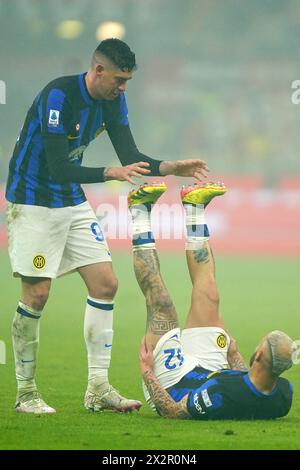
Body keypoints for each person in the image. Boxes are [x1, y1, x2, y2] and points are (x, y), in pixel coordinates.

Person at [5, 38, 209, 415]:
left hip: (70, 199)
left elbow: (131, 157)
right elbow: (56, 165)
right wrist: (109, 172)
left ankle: (98, 390)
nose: (122, 87)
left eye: (127, 80)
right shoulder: (58, 96)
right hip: (32, 199)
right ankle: (26, 392)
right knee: (37, 294)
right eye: (118, 79)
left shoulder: (114, 101)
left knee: (106, 284)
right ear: (98, 70)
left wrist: (170, 167)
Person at [128, 181, 294, 419]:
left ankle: (139, 211)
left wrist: (147, 372)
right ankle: (194, 206)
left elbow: (173, 412)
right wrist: (234, 357)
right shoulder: (284, 394)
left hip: (173, 386)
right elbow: (252, 386)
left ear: (257, 356)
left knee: (162, 305)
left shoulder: (220, 393)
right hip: (212, 371)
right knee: (210, 294)